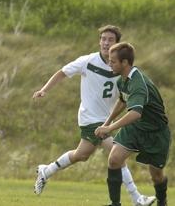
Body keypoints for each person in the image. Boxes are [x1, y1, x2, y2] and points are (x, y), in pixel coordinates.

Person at [32, 25, 155, 206]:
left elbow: (126, 95)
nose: (106, 43)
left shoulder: (121, 67)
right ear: (99, 41)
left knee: (81, 155)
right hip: (90, 119)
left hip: (106, 121)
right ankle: (137, 199)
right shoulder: (88, 61)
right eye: (103, 39)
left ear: (117, 44)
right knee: (116, 153)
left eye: (110, 40)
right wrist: (44, 90)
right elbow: (62, 72)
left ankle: (46, 171)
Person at [95, 42, 171, 206]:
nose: (109, 64)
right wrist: (107, 122)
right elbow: (123, 99)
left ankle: (162, 202)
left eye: (112, 61)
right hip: (136, 128)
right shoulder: (122, 79)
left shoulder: (138, 82)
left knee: (156, 177)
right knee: (114, 159)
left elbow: (135, 113)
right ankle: (115, 204)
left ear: (124, 62)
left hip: (156, 133)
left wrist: (110, 128)